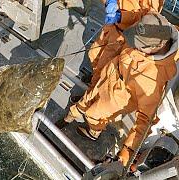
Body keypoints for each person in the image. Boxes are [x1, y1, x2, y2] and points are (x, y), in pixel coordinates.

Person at [61, 12, 179, 167]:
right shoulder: (162, 28)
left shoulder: (152, 82)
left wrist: (127, 152)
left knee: (94, 114)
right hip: (111, 73)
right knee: (91, 94)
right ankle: (75, 112)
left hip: (118, 96)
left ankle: (94, 131)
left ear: (156, 47)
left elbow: (145, 119)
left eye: (138, 44)